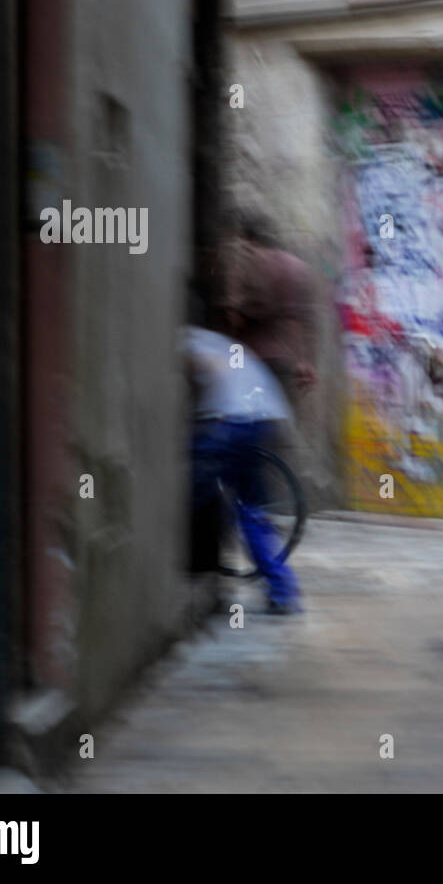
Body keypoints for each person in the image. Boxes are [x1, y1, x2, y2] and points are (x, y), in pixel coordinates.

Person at [185, 325, 302, 614]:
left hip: (237, 420)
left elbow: (215, 371)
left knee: (196, 480)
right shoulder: (217, 341)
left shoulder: (188, 342)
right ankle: (282, 589)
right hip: (262, 418)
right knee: (251, 509)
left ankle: (201, 553)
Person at [225, 213, 319, 393]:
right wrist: (307, 362)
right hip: (288, 362)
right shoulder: (298, 267)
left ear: (249, 238)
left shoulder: (245, 262)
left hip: (251, 356)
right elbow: (308, 321)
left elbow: (234, 317)